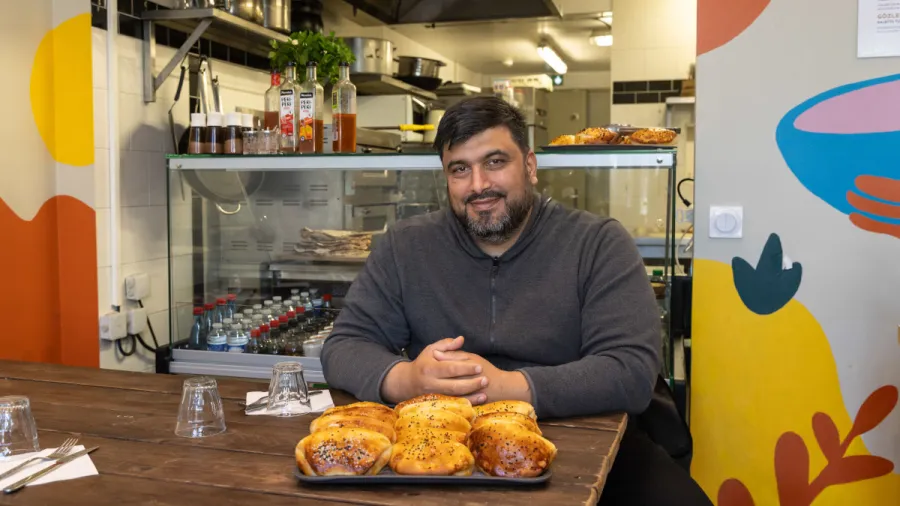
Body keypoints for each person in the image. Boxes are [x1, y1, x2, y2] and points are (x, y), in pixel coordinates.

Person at [321, 96, 712, 505]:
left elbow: (630, 371)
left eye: (495, 162)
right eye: (460, 169)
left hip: (591, 438)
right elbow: (345, 346)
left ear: (529, 166)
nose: (478, 186)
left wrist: (506, 386)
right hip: (439, 446)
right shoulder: (405, 247)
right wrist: (406, 380)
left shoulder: (598, 243)